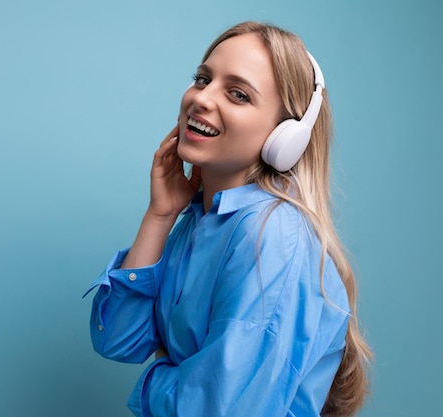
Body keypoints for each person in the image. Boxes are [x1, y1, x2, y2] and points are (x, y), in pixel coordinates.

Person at [85, 21, 371, 417]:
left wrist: (156, 378)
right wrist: (160, 215)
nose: (201, 98)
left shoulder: (271, 234)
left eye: (238, 94)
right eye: (202, 79)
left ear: (285, 135)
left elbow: (218, 409)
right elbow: (117, 338)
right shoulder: (199, 219)